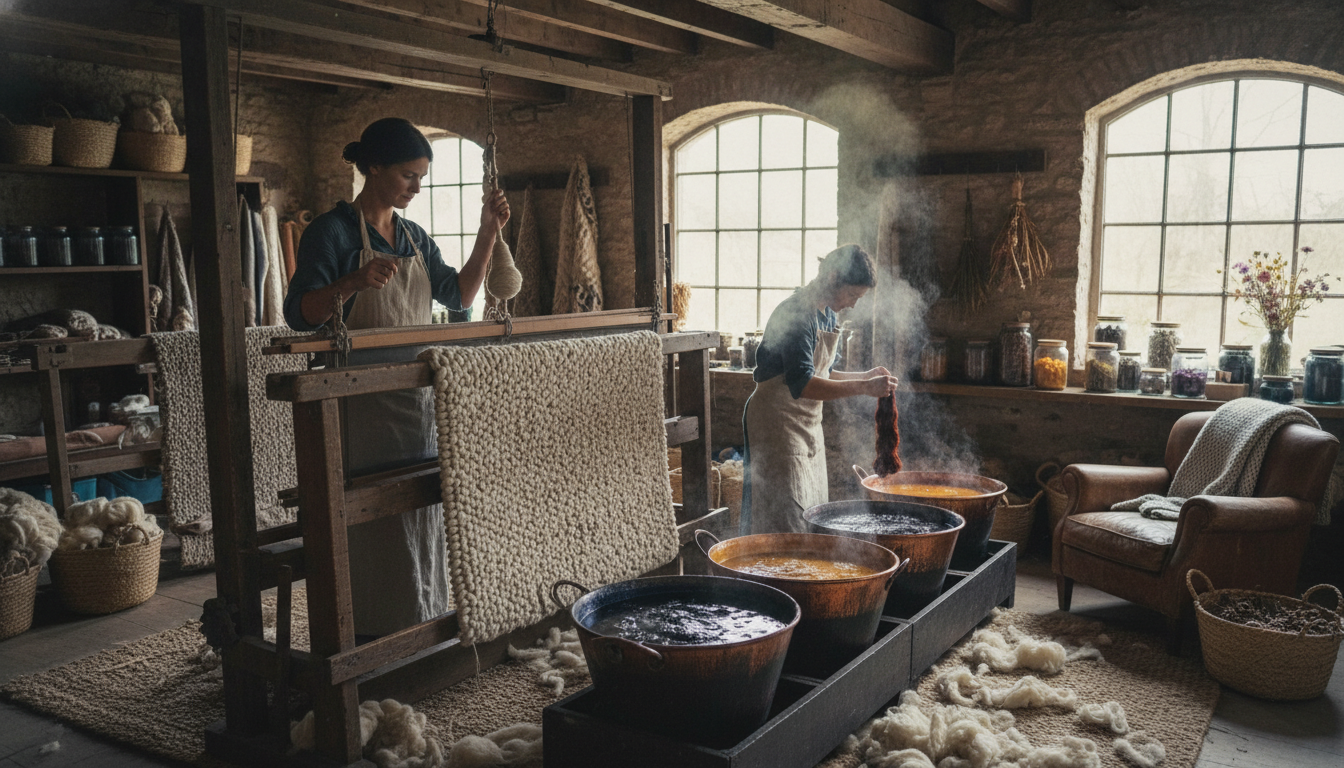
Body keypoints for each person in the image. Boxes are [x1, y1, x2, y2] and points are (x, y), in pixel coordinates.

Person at [283, 117, 510, 640]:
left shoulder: (412, 237)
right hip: (360, 407)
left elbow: (461, 296)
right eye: (408, 176)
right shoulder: (332, 232)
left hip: (414, 401)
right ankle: (370, 633)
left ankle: (422, 624)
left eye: (422, 178)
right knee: (371, 524)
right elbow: (300, 313)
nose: (416, 187)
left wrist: (487, 231)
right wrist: (351, 281)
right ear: (375, 167)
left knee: (420, 514)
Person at [741, 244, 897, 535]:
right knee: (785, 515)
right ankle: (775, 577)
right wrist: (864, 387)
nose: (853, 304)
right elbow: (804, 383)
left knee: (812, 510)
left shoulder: (828, 315)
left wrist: (867, 375)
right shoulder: (799, 314)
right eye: (852, 294)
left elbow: (825, 371)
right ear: (832, 277)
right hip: (777, 421)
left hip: (807, 425)